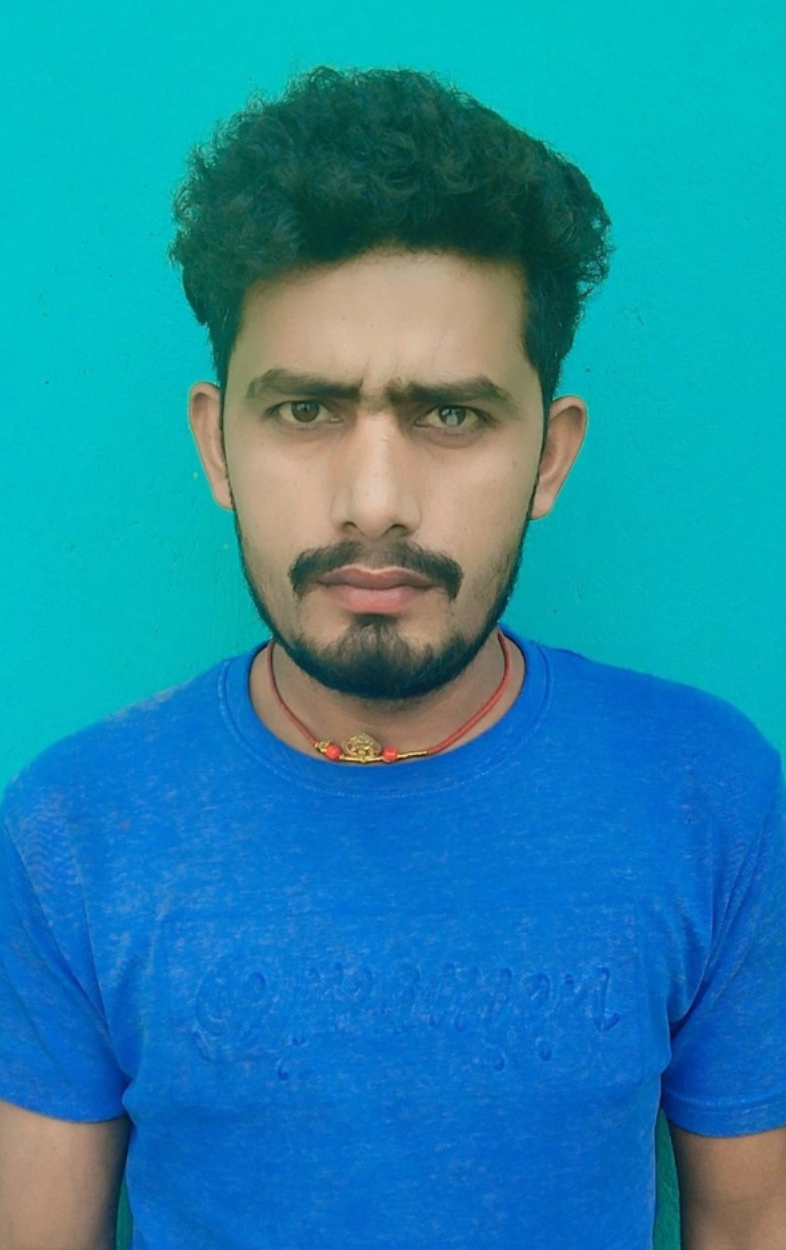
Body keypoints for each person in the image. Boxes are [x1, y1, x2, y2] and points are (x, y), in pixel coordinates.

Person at [1, 66, 784, 1250]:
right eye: (306, 410)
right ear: (217, 445)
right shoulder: (73, 828)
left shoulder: (708, 794)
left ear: (550, 453)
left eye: (451, 415)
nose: (375, 501)